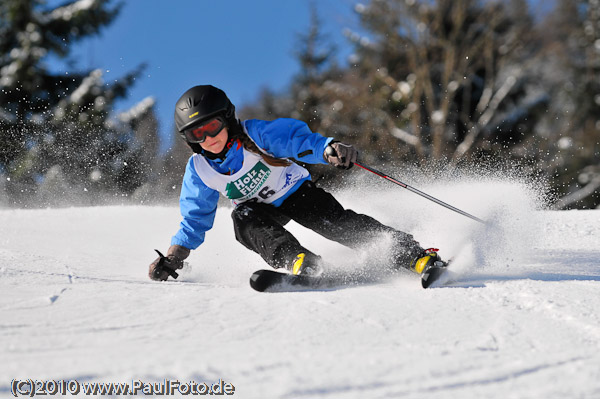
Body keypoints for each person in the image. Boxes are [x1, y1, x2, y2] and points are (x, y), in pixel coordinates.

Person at [149, 85, 445, 282]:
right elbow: (195, 217)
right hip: (260, 211)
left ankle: (412, 255)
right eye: (196, 134)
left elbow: (297, 140)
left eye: (212, 127)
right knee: (242, 220)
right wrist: (175, 256)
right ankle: (300, 260)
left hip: (296, 192)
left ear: (226, 119)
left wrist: (329, 149)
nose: (208, 139)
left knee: (335, 222)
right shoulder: (199, 170)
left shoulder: (257, 135)